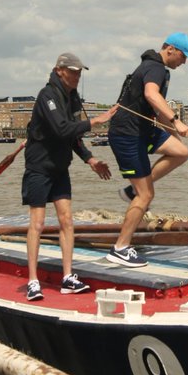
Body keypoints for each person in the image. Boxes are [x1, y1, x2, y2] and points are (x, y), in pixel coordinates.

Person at [22, 52, 116, 302]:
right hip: (39, 167)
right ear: (60, 70)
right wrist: (96, 121)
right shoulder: (47, 96)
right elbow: (61, 129)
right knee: (38, 224)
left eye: (80, 72)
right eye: (73, 71)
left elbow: (72, 137)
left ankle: (67, 278)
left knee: (67, 221)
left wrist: (90, 159)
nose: (77, 76)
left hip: (60, 167)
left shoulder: (71, 97)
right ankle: (32, 280)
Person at [107, 32, 188, 267]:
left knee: (181, 151)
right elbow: (151, 95)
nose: (184, 61)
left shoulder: (159, 69)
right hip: (127, 133)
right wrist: (176, 120)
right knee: (146, 195)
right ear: (170, 49)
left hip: (144, 129)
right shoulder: (155, 67)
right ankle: (120, 248)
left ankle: (129, 191)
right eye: (183, 56)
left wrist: (174, 131)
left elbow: (156, 109)